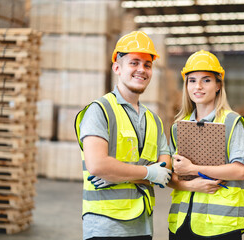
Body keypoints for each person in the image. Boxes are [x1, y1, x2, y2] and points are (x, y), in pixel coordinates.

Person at [74, 31, 172, 240]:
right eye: (134, 63)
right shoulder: (99, 110)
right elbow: (98, 165)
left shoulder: (154, 120)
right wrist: (148, 173)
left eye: (147, 64)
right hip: (104, 226)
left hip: (143, 225)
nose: (141, 70)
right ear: (117, 67)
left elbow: (164, 170)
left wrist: (119, 176)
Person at [168, 50, 244, 240]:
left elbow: (241, 171)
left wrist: (194, 168)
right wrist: (191, 186)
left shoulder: (231, 122)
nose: (198, 86)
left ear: (218, 85)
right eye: (192, 80)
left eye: (206, 80)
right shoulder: (177, 127)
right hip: (182, 222)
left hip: (220, 226)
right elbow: (170, 176)